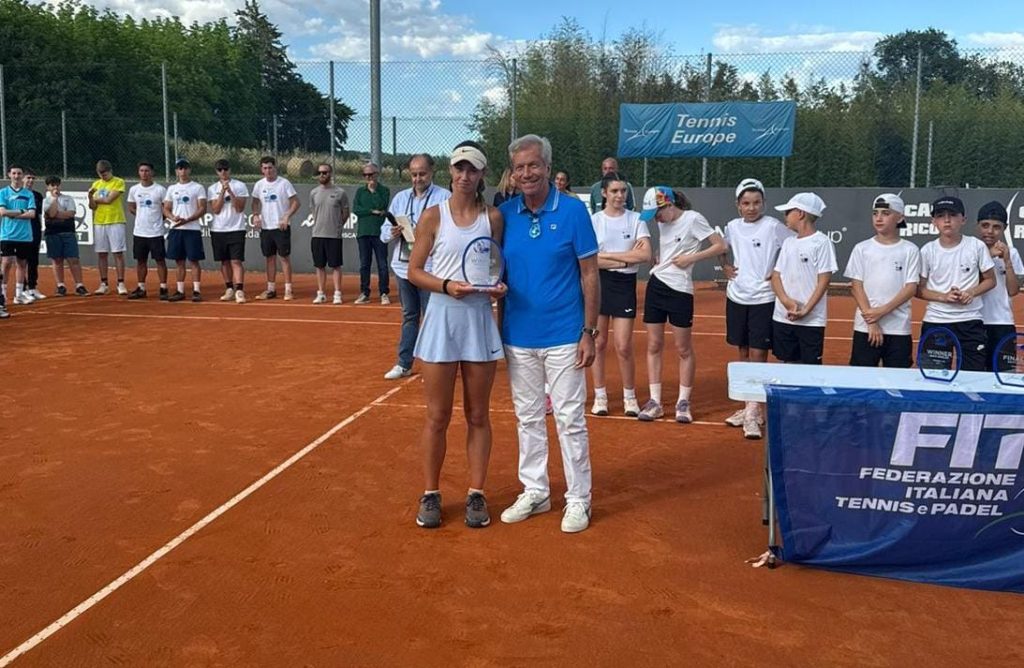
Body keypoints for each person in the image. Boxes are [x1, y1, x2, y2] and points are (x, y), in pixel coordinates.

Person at [498, 134, 599, 534]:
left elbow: (590, 274)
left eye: (534, 165)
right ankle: (536, 491)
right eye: (519, 167)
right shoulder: (504, 215)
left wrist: (588, 330)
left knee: (571, 419)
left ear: (547, 167)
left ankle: (579, 499)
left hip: (564, 336)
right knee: (527, 418)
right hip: (517, 337)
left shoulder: (573, 211)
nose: (527, 173)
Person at [407, 141, 505, 529]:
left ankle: (476, 494)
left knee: (478, 414)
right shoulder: (432, 216)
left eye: (473, 169)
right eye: (459, 169)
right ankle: (430, 494)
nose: (465, 176)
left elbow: (498, 267)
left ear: (482, 175)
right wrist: (447, 286)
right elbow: (415, 271)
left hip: (479, 320)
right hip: (442, 320)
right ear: (451, 171)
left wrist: (499, 287)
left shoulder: (493, 218)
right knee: (437, 416)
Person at [636, 186, 725, 423]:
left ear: (668, 204)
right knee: (654, 344)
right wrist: (658, 255)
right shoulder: (662, 223)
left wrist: (690, 258)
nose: (656, 218)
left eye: (657, 212)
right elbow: (668, 245)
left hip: (681, 291)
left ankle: (683, 402)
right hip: (656, 285)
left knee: (683, 348)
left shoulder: (693, 219)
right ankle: (655, 401)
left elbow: (720, 245)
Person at [719, 178, 791, 438]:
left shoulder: (773, 226)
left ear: (764, 203)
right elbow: (721, 247)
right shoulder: (732, 227)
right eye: (746, 203)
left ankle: (752, 411)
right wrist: (725, 265)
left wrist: (776, 270)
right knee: (743, 349)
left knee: (760, 353)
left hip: (763, 297)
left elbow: (792, 246)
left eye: (756, 203)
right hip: (737, 295)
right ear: (738, 205)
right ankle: (751, 406)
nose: (751, 208)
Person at [381, 154, 452, 379]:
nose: (417, 178)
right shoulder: (401, 198)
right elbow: (383, 234)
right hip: (404, 268)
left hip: (431, 269)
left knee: (434, 316)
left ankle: (438, 362)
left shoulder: (444, 197)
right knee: (409, 315)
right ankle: (404, 363)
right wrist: (391, 232)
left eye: (422, 174)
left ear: (432, 173)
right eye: (413, 174)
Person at [589, 171, 651, 417]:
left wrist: (609, 257)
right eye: (615, 191)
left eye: (623, 191)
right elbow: (590, 260)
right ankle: (600, 395)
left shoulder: (637, 219)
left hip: (625, 286)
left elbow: (645, 256)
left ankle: (630, 397)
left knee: (623, 345)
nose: (620, 196)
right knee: (598, 343)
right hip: (599, 284)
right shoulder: (595, 220)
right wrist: (625, 260)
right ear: (604, 193)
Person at [917, 196, 996, 372]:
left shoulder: (976, 246)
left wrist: (971, 292)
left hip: (970, 321)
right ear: (933, 221)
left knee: (973, 375)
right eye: (940, 215)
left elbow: (991, 280)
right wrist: (943, 297)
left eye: (952, 215)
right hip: (936, 321)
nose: (946, 220)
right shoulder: (927, 251)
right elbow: (919, 289)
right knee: (934, 376)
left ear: (963, 219)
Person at [844, 194, 921, 369]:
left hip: (898, 329)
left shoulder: (910, 250)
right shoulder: (862, 248)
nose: (879, 218)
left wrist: (881, 311)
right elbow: (856, 286)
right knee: (861, 381)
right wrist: (872, 321)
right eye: (875, 213)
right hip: (866, 328)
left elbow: (910, 288)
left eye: (886, 213)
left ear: (900, 217)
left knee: (897, 381)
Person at [770, 192, 837, 365]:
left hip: (811, 322)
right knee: (786, 364)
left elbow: (824, 280)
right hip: (783, 317)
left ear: (800, 213)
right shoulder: (788, 242)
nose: (785, 216)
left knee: (809, 371)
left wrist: (806, 310)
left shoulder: (822, 242)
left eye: (788, 212)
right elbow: (776, 276)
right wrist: (787, 302)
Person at [978, 202, 1021, 370]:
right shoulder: (969, 250)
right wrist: (988, 256)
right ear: (977, 226)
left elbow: (1013, 291)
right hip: (974, 321)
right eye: (985, 225)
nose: (990, 231)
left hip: (1002, 322)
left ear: (1004, 228)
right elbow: (965, 281)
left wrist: (1007, 260)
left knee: (1004, 374)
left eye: (996, 227)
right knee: (974, 374)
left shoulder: (1012, 252)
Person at [251, 156, 299, 300]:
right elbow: (254, 202)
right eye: (265, 168)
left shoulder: (284, 183)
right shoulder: (259, 185)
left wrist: (286, 217)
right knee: (269, 258)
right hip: (266, 228)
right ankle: (270, 289)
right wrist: (255, 215)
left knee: (284, 257)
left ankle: (288, 289)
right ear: (261, 170)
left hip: (281, 227)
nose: (268, 171)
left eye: (270, 167)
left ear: (275, 168)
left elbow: (296, 202)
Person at [162, 158, 207, 302]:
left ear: (189, 170)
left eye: (185, 168)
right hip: (176, 229)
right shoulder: (172, 189)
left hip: (192, 229)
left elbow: (202, 208)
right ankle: (180, 290)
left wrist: (188, 219)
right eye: (180, 168)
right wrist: (173, 218)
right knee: (179, 261)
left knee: (194, 261)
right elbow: (166, 208)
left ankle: (196, 291)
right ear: (176, 171)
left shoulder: (198, 188)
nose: (182, 171)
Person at [207, 159, 250, 303]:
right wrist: (221, 192)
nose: (223, 172)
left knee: (236, 261)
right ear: (216, 172)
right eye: (220, 170)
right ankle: (229, 288)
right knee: (224, 261)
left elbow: (239, 208)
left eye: (225, 169)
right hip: (218, 230)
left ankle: (239, 290)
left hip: (236, 228)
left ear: (230, 170)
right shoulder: (212, 188)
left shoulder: (240, 186)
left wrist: (230, 191)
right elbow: (216, 209)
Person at [125, 163, 169, 300]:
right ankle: (141, 288)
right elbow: (131, 207)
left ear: (152, 173)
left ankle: (163, 288)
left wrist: (157, 219)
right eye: (142, 171)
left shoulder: (160, 190)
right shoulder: (134, 189)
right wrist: (140, 215)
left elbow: (166, 209)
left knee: (160, 261)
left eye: (147, 171)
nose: (144, 173)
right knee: (141, 261)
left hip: (156, 232)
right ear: (138, 173)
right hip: (139, 232)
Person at [309, 163, 349, 305]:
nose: (322, 175)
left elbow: (345, 213)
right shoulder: (313, 193)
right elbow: (314, 212)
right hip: (317, 235)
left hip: (334, 235)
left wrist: (337, 226)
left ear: (330, 174)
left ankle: (337, 293)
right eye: (320, 173)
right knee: (319, 265)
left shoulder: (340, 193)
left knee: (336, 265)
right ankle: (321, 294)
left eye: (325, 172)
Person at [88, 159, 128, 295]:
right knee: (102, 253)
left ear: (110, 171)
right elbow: (92, 206)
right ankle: (103, 283)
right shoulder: (96, 184)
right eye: (100, 174)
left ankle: (121, 282)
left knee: (118, 253)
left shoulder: (118, 182)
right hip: (99, 222)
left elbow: (109, 199)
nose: (103, 176)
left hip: (116, 220)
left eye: (105, 174)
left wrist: (95, 198)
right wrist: (90, 198)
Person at [352, 162, 391, 304]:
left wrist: (374, 192)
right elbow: (356, 210)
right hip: (363, 233)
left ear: (377, 174)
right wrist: (371, 211)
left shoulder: (384, 190)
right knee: (364, 264)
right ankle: (364, 292)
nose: (368, 177)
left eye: (371, 174)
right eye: (365, 175)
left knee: (382, 264)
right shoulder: (360, 192)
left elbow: (382, 206)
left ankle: (384, 293)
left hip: (379, 232)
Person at [42, 176, 87, 297]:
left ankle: (79, 285)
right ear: (48, 187)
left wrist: (56, 215)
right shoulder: (46, 200)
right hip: (52, 233)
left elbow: (70, 214)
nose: (55, 187)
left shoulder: (69, 198)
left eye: (57, 184)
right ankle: (60, 286)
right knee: (57, 260)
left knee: (74, 259)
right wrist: (55, 200)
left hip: (68, 232)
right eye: (52, 185)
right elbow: (50, 214)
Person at [0, 165, 37, 311]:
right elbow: (2, 212)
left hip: (24, 236)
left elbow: (32, 214)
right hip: (7, 234)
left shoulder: (29, 194)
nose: (16, 176)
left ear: (22, 176)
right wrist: (22, 211)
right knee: (6, 263)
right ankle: (2, 295)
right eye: (14, 173)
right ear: (9, 174)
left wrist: (12, 213)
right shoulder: (3, 193)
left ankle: (19, 294)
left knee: (22, 264)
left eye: (19, 173)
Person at [22, 170, 45, 299]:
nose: (30, 181)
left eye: (32, 178)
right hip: (22, 231)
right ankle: (23, 288)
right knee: (22, 260)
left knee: (33, 259)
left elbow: (39, 214)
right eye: (28, 178)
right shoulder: (18, 194)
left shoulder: (37, 195)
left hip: (35, 230)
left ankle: (32, 287)